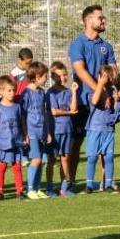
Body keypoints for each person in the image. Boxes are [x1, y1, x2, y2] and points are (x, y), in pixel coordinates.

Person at [69, 5, 118, 190]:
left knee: (106, 143)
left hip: (104, 105)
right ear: (88, 20)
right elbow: (80, 70)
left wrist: (118, 89)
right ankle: (70, 182)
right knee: (76, 144)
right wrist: (100, 90)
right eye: (100, 17)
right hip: (83, 102)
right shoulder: (78, 44)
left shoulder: (106, 46)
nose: (103, 20)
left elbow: (114, 71)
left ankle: (106, 182)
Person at [85, 65, 120, 194]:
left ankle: (108, 183)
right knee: (92, 157)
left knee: (109, 157)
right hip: (94, 129)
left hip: (108, 129)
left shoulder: (111, 91)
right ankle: (89, 184)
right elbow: (94, 101)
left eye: (109, 80)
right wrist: (100, 84)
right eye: (105, 78)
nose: (107, 82)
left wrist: (117, 100)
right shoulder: (94, 89)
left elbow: (115, 111)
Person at [46, 62, 78, 196]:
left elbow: (74, 108)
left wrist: (75, 92)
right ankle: (49, 187)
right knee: (52, 160)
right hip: (55, 130)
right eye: (59, 76)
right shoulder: (51, 92)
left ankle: (64, 187)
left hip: (67, 129)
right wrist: (69, 113)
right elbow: (54, 111)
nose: (63, 78)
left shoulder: (68, 91)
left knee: (65, 158)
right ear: (53, 76)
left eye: (65, 75)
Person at [21, 61, 53, 199]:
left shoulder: (42, 93)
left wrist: (48, 132)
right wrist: (25, 133)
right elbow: (22, 115)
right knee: (36, 160)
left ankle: (37, 188)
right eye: (45, 76)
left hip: (41, 132)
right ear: (38, 76)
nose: (47, 79)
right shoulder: (26, 93)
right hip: (32, 132)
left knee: (42, 161)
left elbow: (45, 113)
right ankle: (29, 190)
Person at [0, 76, 26, 200]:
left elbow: (22, 121)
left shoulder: (17, 107)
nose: (12, 93)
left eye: (14, 90)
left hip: (16, 142)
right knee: (1, 167)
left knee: (17, 167)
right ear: (1, 91)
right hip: (3, 142)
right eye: (9, 90)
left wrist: (25, 135)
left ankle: (19, 191)